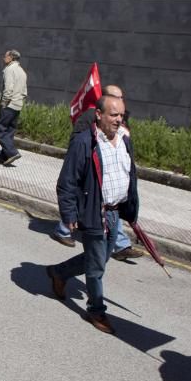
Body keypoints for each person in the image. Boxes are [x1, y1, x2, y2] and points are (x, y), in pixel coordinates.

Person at [47, 94, 139, 335]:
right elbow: (67, 182)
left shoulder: (124, 141)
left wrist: (130, 208)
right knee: (97, 266)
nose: (119, 120)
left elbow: (130, 177)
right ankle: (96, 310)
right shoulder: (84, 142)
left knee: (100, 258)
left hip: (114, 213)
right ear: (99, 115)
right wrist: (69, 214)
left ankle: (59, 272)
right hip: (93, 211)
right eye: (113, 115)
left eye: (121, 115)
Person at [50, 84, 143, 261]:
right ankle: (64, 230)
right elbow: (76, 153)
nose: (119, 118)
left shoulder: (120, 122)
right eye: (117, 98)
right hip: (90, 182)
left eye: (121, 98)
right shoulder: (88, 120)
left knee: (100, 254)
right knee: (96, 259)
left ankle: (120, 245)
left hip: (109, 196)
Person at [0, 49, 27, 166]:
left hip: (9, 104)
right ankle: (3, 156)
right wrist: (19, 102)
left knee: (0, 130)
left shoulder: (9, 69)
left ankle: (12, 152)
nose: (4, 58)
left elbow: (8, 89)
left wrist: (4, 103)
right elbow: (24, 91)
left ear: (11, 58)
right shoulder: (21, 71)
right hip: (18, 105)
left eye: (6, 56)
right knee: (9, 131)